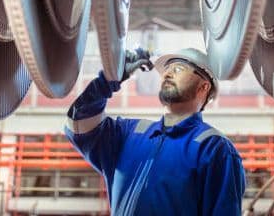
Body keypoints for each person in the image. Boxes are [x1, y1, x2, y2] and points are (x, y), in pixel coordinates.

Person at [64, 47, 246, 215]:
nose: (167, 74)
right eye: (167, 70)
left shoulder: (214, 149)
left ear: (203, 87)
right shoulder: (130, 133)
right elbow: (79, 124)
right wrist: (108, 80)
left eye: (178, 69)